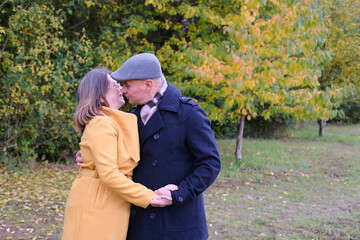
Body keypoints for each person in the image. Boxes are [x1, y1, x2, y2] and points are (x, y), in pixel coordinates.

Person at [77, 53, 221, 239]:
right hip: (140, 222)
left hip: (177, 223)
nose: (123, 90)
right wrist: (90, 156)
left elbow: (210, 164)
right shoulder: (130, 117)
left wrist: (179, 194)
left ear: (148, 84)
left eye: (128, 85)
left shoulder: (188, 113)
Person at [62, 67, 177, 240]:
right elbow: (109, 173)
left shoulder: (112, 121)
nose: (121, 89)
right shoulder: (101, 123)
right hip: (97, 204)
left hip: (109, 201)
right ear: (101, 96)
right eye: (115, 85)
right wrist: (150, 196)